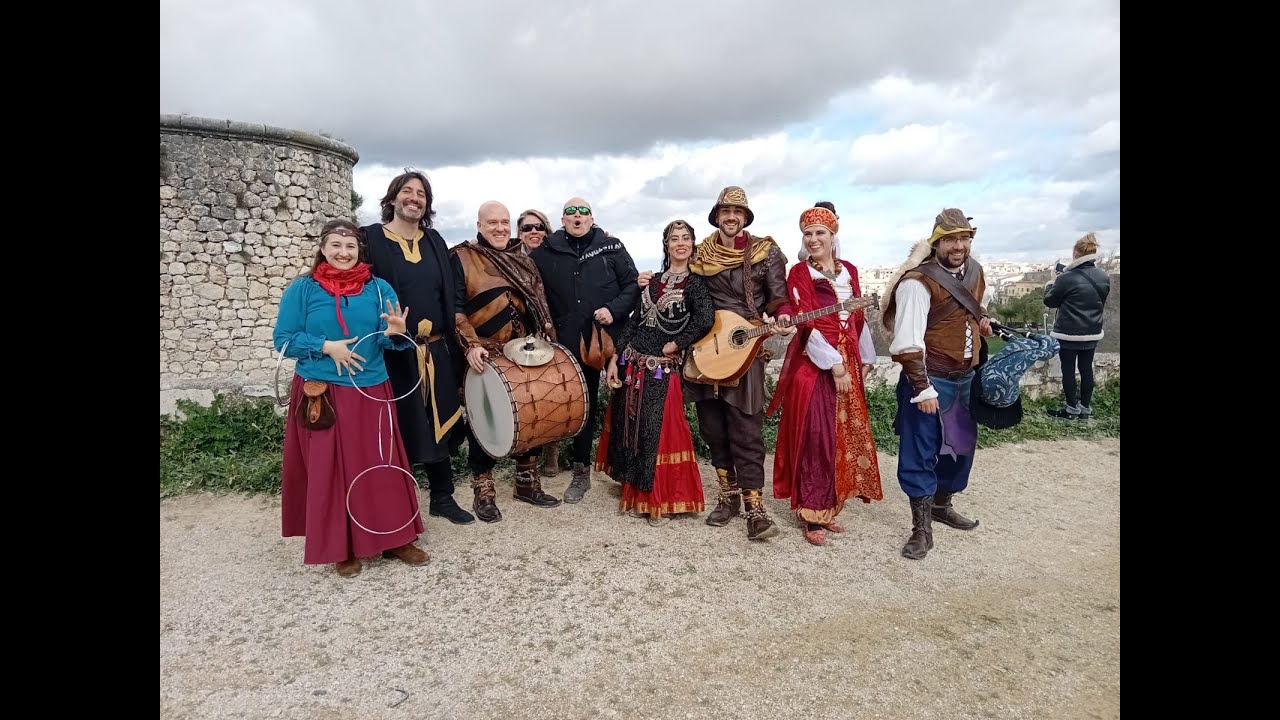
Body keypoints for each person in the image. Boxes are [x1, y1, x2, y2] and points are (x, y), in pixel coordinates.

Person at [274, 219, 430, 577]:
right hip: (322, 391)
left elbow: (388, 341)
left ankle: (395, 538)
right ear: (323, 248)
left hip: (372, 389)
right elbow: (283, 339)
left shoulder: (379, 289)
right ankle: (340, 546)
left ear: (360, 250)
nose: (343, 253)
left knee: (381, 465)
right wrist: (325, 347)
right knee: (331, 470)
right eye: (335, 246)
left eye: (350, 247)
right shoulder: (304, 289)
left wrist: (395, 333)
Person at [646, 185, 793, 542]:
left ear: (744, 218)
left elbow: (779, 298)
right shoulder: (701, 254)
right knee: (712, 429)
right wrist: (647, 282)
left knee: (747, 430)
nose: (731, 217)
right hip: (704, 349)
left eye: (737, 213)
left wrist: (785, 316)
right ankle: (727, 498)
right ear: (717, 217)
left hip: (745, 348)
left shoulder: (766, 252)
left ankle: (754, 509)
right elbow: (678, 279)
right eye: (725, 212)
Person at [881, 208, 995, 560]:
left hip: (966, 377)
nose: (958, 245)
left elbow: (973, 310)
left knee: (960, 447)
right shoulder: (918, 282)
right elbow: (906, 341)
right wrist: (922, 388)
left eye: (964, 238)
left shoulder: (975, 272)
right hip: (930, 380)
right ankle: (921, 528)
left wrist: (983, 323)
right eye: (950, 239)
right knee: (920, 451)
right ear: (936, 242)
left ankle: (942, 506)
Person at [362, 170, 473, 525]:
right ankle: (396, 504)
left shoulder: (435, 240)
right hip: (393, 352)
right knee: (400, 424)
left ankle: (442, 497)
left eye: (421, 193)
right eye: (407, 191)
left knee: (438, 420)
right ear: (392, 198)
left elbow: (447, 293)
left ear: (427, 203)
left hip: (436, 348)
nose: (414, 198)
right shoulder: (370, 239)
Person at [767, 206, 883, 545]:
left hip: (848, 360)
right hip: (819, 364)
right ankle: (812, 513)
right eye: (808, 234)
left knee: (841, 436)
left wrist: (865, 356)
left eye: (820, 233)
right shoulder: (800, 273)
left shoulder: (850, 270)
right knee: (817, 435)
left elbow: (857, 315)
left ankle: (830, 507)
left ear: (833, 236)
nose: (814, 239)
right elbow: (808, 323)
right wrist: (835, 365)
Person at [595, 220, 715, 525]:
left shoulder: (696, 284)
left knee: (656, 431)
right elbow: (635, 321)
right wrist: (614, 359)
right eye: (674, 238)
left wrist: (677, 342)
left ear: (692, 244)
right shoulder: (652, 280)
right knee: (630, 427)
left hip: (661, 368)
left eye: (685, 238)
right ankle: (633, 486)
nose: (679, 243)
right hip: (632, 363)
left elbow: (705, 319)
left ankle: (657, 497)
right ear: (666, 244)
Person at [450, 201, 563, 521]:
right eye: (492, 223)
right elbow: (456, 309)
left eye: (504, 222)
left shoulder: (522, 258)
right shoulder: (462, 257)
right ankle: (483, 491)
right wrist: (470, 346)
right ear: (479, 225)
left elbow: (538, 303)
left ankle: (526, 483)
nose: (499, 228)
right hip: (483, 354)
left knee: (532, 414)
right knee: (481, 417)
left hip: (525, 351)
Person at [531, 197, 640, 504]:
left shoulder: (612, 247)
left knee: (628, 401)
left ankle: (627, 470)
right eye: (570, 212)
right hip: (570, 342)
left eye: (583, 212)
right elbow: (528, 284)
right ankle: (581, 472)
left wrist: (614, 309)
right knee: (583, 404)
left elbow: (632, 286)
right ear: (563, 219)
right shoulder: (545, 252)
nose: (577, 216)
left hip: (613, 338)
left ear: (592, 218)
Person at [515, 207, 562, 477]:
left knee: (552, 392)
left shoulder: (557, 256)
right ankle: (527, 454)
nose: (534, 232)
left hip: (553, 329)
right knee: (527, 396)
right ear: (519, 234)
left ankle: (552, 451)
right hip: (521, 333)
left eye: (539, 227)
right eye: (527, 228)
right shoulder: (509, 259)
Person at [1043, 232, 1110, 420]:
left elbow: (1050, 301)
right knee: (1086, 369)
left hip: (1068, 333)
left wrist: (1052, 281)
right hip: (1092, 332)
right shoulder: (1103, 277)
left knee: (1068, 370)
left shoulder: (1066, 278)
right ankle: (1085, 409)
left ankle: (1071, 409)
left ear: (1076, 253)